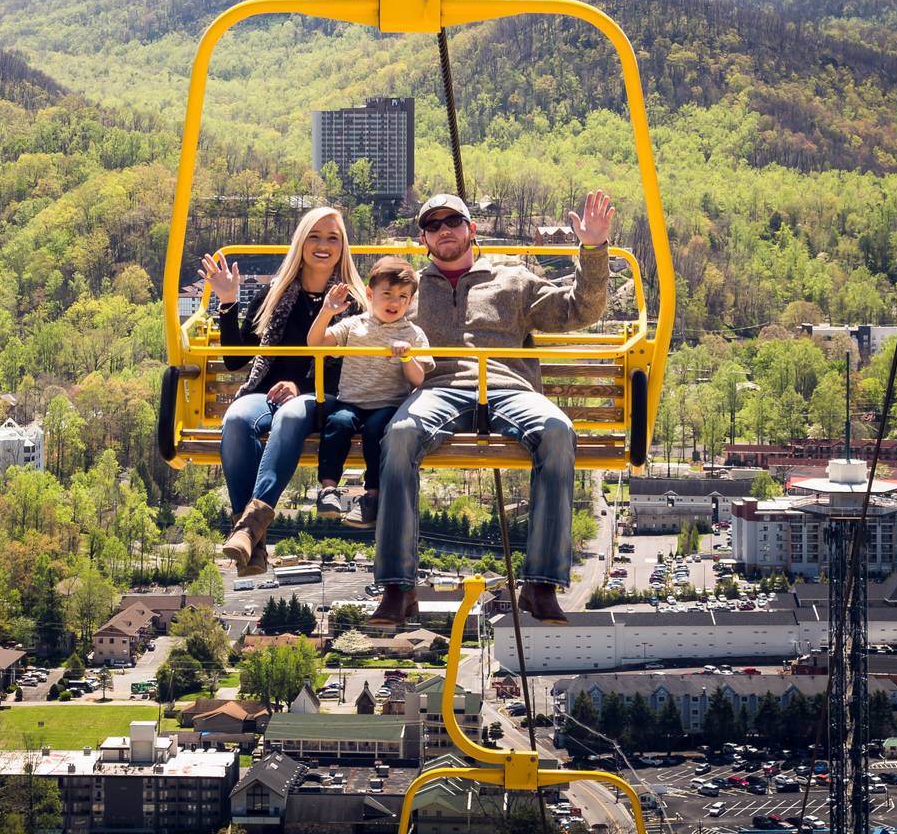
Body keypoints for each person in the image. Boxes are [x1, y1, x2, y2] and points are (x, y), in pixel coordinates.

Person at [369, 190, 614, 628]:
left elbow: (580, 309)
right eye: (433, 225)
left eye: (453, 222)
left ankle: (540, 584)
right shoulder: (410, 290)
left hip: (507, 386)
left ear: (471, 229)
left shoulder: (512, 280)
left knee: (557, 431)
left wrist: (593, 249)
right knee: (401, 434)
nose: (444, 231)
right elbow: (356, 326)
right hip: (440, 387)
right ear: (423, 238)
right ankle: (398, 587)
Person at [202, 206, 364, 576]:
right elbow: (233, 359)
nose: (323, 246)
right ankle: (253, 543)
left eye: (332, 238)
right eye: (314, 237)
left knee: (291, 413)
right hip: (268, 394)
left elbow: (352, 364)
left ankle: (247, 530)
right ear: (301, 242)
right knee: (238, 417)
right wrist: (228, 301)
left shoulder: (352, 301)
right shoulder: (276, 295)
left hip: (323, 397)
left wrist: (301, 385)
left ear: (343, 247)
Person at [304, 255, 434, 528]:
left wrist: (406, 357)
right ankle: (329, 490)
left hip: (387, 404)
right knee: (337, 423)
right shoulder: (354, 325)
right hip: (351, 401)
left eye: (402, 297)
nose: (394, 302)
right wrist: (328, 311)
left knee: (377, 431)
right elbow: (316, 344)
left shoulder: (413, 334)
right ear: (370, 294)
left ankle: (372, 496)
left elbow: (419, 378)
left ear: (410, 302)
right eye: (387, 294)